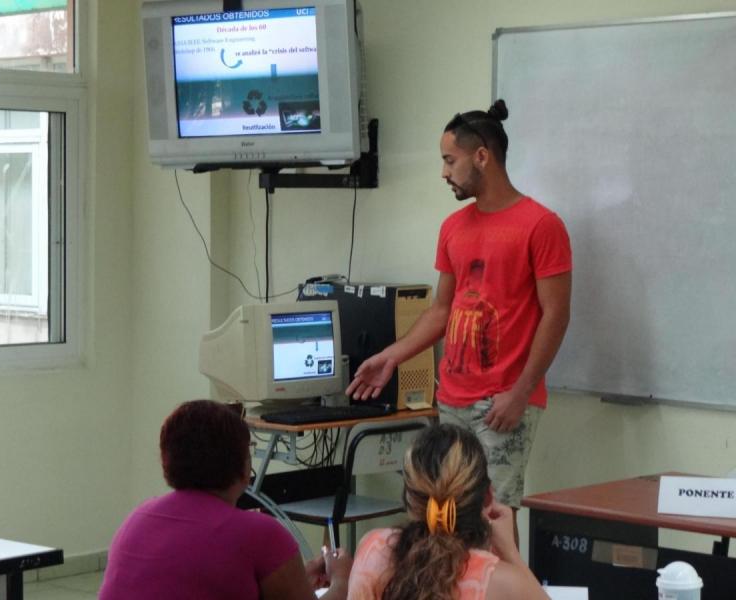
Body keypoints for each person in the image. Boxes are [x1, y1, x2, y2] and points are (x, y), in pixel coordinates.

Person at [345, 100, 572, 540]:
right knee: (442, 520)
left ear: (481, 157)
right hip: (452, 400)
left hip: (503, 402)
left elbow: (556, 315)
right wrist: (391, 357)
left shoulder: (541, 225)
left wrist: (521, 392)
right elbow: (441, 311)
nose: (444, 172)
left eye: (450, 160)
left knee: (495, 521)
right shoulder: (453, 226)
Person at [98, 399, 352, 600]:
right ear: (244, 467)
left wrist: (299, 574)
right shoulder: (261, 535)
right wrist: (342, 580)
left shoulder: (138, 519)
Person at [346, 423, 549, 600]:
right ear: (487, 498)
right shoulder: (503, 583)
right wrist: (511, 552)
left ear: (409, 499)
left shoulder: (372, 548)